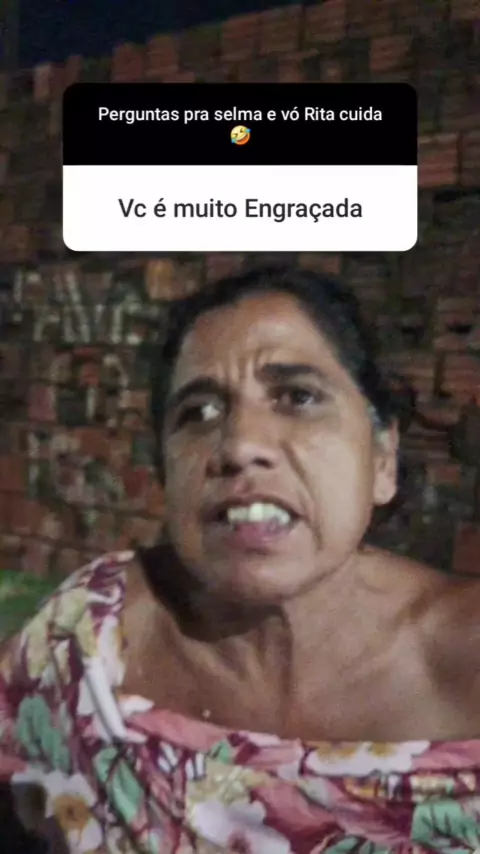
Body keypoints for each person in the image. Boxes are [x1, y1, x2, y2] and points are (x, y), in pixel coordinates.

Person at [1, 264, 480, 853]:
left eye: (298, 397)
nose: (240, 445)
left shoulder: (467, 659)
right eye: (198, 413)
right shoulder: (85, 643)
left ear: (382, 457)